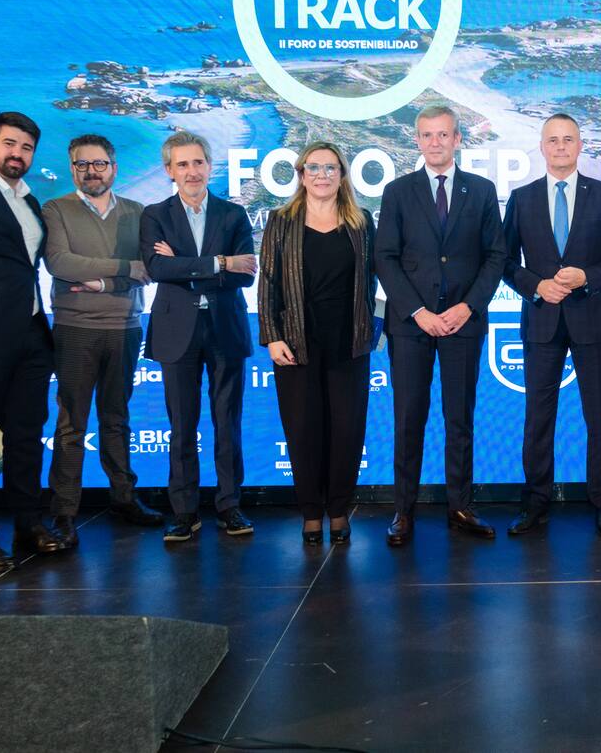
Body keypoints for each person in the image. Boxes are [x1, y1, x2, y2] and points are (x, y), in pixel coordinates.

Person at [374, 105, 506, 546]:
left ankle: (460, 507)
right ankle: (403, 511)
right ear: (417, 140)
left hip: (463, 324)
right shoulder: (397, 192)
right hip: (412, 325)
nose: (435, 142)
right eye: (427, 135)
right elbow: (385, 258)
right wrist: (418, 311)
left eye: (443, 135)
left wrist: (468, 307)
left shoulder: (482, 191)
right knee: (408, 418)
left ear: (457, 139)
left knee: (459, 419)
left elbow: (496, 256)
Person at [503, 113, 601, 536]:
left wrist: (587, 277)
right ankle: (535, 502)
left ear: (580, 146)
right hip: (542, 321)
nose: (560, 146)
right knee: (538, 418)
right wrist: (536, 286)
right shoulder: (521, 199)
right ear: (542, 147)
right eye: (553, 140)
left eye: (568, 139)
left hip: (592, 320)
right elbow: (504, 261)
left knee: (600, 417)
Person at [42, 134, 163, 547]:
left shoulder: (138, 212)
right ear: (72, 168)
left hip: (125, 328)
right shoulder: (55, 209)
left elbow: (149, 268)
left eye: (99, 164)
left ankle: (123, 499)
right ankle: (63, 513)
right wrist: (123, 269)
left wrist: (101, 281)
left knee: (116, 419)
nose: (91, 171)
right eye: (82, 164)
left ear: (114, 167)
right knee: (71, 425)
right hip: (75, 328)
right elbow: (61, 262)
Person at [0, 112, 70, 570]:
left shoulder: (28, 200)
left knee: (26, 436)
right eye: (9, 144)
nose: (17, 154)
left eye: (26, 148)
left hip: (30, 334)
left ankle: (28, 524)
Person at [140, 130, 257, 542]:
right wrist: (219, 262)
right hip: (176, 331)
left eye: (198, 162)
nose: (192, 171)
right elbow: (158, 269)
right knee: (182, 425)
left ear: (210, 165)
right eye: (182, 164)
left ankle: (229, 506)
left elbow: (245, 275)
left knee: (228, 422)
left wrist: (186, 265)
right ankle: (184, 512)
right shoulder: (155, 215)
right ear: (169, 170)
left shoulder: (234, 214)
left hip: (226, 328)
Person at [259, 142, 378, 545]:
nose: (322, 175)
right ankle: (311, 512)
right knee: (303, 429)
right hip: (296, 341)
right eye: (313, 167)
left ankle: (339, 510)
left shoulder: (361, 222)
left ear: (342, 175)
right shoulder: (281, 221)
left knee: (347, 430)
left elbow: (372, 283)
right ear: (301, 174)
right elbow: (268, 283)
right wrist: (272, 336)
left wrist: (370, 328)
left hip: (349, 342)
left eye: (330, 168)